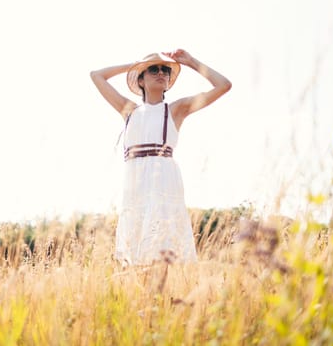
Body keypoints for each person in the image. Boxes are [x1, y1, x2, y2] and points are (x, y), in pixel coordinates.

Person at [90, 49, 231, 265]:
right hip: (136, 186)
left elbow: (224, 85)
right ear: (141, 80)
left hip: (164, 184)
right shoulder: (129, 110)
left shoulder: (175, 110)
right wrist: (133, 66)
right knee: (136, 254)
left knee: (164, 252)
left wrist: (192, 62)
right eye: (153, 69)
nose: (161, 73)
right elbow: (96, 75)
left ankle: (167, 297)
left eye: (165, 70)